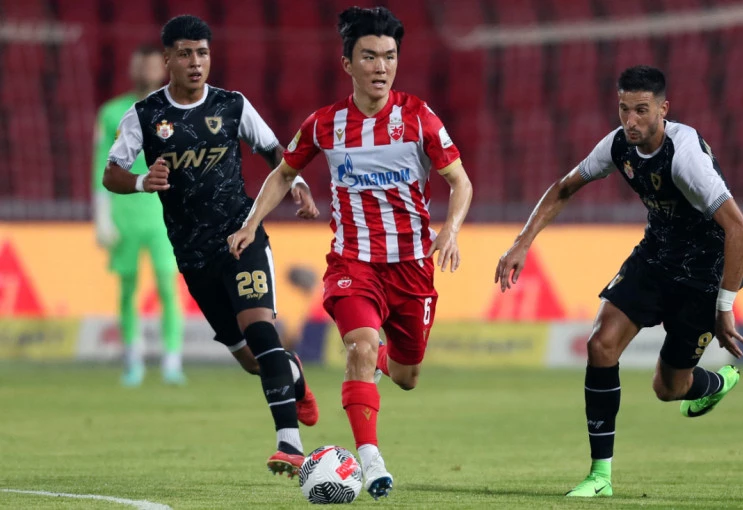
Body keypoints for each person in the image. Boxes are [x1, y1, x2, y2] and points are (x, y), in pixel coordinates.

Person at [228, 6, 473, 500]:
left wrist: (450, 230)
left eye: (390, 56)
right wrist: (251, 223)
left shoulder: (418, 117)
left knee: (406, 375)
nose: (381, 67)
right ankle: (371, 460)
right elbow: (283, 173)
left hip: (412, 268)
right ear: (347, 63)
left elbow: (460, 181)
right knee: (359, 348)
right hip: (353, 263)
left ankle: (384, 357)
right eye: (370, 56)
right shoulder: (325, 124)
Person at [494, 66, 743, 498]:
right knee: (601, 344)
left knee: (668, 388)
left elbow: (740, 231)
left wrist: (725, 307)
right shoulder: (617, 145)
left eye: (641, 110)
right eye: (623, 109)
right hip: (656, 257)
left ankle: (717, 382)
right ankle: (600, 476)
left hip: (703, 274)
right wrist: (522, 242)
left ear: (663, 109)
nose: (630, 121)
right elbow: (563, 188)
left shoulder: (685, 157)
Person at [101, 15, 320, 476]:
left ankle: (290, 445)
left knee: (262, 333)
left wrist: (297, 182)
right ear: (168, 59)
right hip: (193, 256)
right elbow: (111, 172)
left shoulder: (232, 105)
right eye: (185, 54)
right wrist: (141, 181)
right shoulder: (144, 115)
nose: (195, 62)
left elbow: (275, 151)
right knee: (252, 361)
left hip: (242, 237)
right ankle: (294, 377)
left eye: (202, 53)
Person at [93, 45, 186, 387]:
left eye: (151, 65)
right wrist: (101, 216)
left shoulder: (176, 110)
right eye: (140, 65)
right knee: (128, 288)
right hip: (124, 212)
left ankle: (172, 360)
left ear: (162, 69)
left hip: (165, 214)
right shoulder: (111, 112)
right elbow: (100, 165)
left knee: (167, 286)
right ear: (132, 68)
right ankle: (133, 359)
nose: (145, 71)